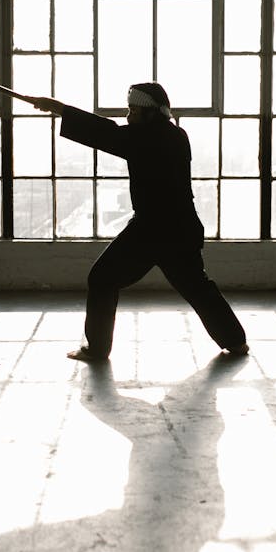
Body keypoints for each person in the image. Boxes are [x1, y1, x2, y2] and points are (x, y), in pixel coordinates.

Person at [30, 83, 248, 362]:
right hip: (180, 228)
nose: (128, 116)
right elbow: (111, 132)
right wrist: (59, 109)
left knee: (102, 279)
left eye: (133, 111)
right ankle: (236, 341)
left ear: (150, 113)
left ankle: (97, 349)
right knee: (197, 287)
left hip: (151, 230)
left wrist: (58, 108)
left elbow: (104, 132)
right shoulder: (177, 135)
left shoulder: (144, 138)